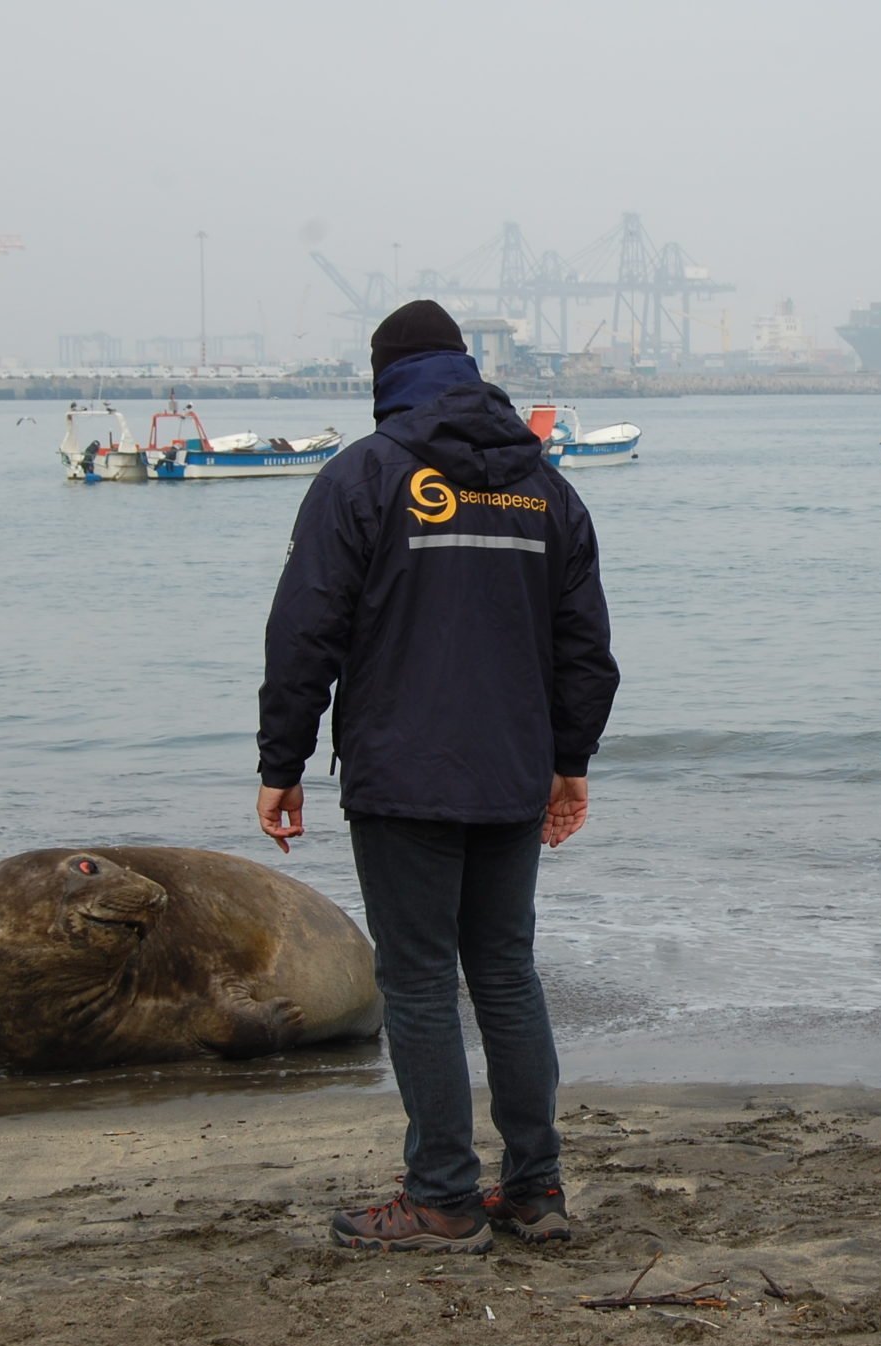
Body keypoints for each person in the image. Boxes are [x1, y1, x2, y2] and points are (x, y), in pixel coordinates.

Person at [256, 299, 619, 1254]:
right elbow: (586, 647)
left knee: (417, 982)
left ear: (385, 378)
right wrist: (567, 762)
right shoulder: (547, 488)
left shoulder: (364, 477)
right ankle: (536, 1192)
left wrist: (280, 761)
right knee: (504, 972)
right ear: (465, 368)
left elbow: (305, 631)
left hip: (402, 775)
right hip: (508, 772)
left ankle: (444, 1198)